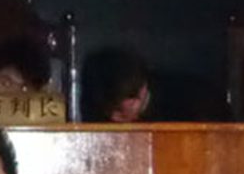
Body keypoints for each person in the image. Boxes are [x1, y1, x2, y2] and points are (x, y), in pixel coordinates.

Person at [80, 47, 229, 123]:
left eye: (119, 111)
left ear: (140, 92)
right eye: (111, 113)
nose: (115, 118)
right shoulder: (95, 108)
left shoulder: (193, 101)